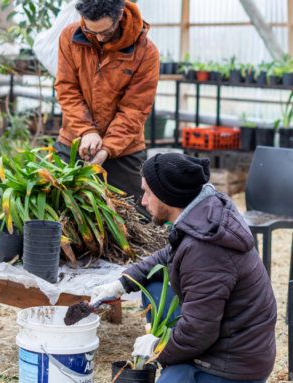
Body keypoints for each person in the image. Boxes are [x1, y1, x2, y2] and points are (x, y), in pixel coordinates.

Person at [91, 153, 277, 382]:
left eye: (148, 193)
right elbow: (167, 256)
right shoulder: (202, 215)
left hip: (232, 365)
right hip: (226, 342)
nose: (143, 201)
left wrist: (158, 347)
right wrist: (123, 283)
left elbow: (199, 332)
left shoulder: (205, 251)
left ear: (167, 196)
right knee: (157, 286)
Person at [53, 0, 159, 218]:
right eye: (91, 30)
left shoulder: (146, 52)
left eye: (105, 31)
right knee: (58, 212)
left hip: (124, 147)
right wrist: (87, 131)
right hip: (74, 141)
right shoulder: (70, 36)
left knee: (138, 216)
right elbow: (67, 89)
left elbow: (134, 110)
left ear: (119, 14)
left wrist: (106, 149)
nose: (98, 37)